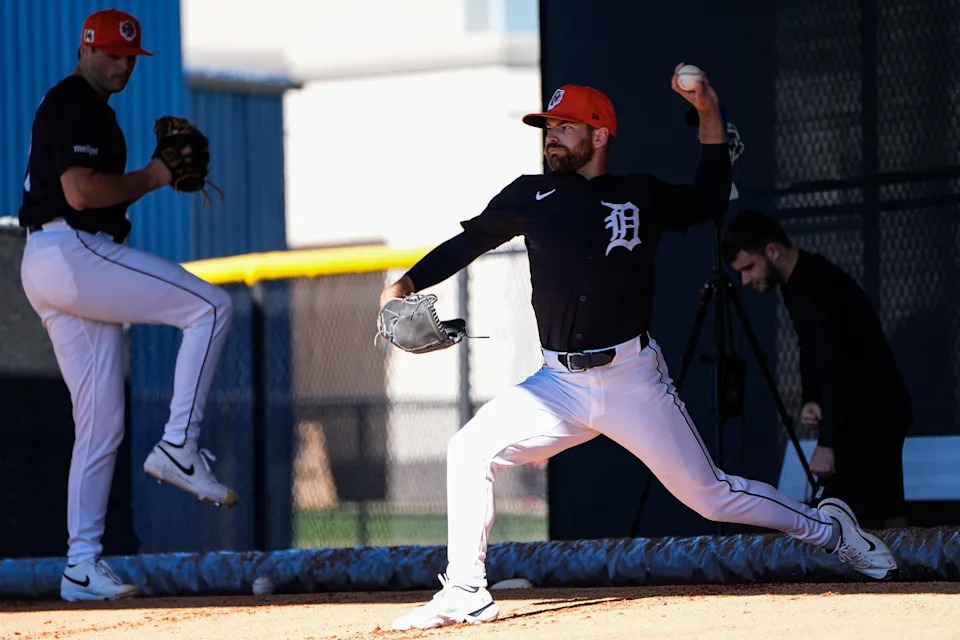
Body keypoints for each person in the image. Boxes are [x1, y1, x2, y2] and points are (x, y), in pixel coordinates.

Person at [380, 66, 897, 631]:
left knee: (711, 496)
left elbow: (707, 196)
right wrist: (404, 284)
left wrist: (707, 110)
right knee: (469, 449)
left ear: (599, 135)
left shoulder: (639, 196)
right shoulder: (531, 195)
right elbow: (468, 242)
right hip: (558, 385)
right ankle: (465, 591)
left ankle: (830, 529)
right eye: (547, 125)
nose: (551, 134)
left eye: (565, 125)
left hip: (632, 379)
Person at [18, 9, 237, 602]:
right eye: (111, 55)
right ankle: (178, 446)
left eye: (129, 59)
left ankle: (81, 566)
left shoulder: (87, 108)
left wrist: (151, 175)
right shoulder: (75, 101)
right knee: (211, 307)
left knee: (99, 427)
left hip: (56, 261)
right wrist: (156, 174)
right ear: (86, 49)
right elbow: (81, 191)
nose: (121, 66)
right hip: (71, 252)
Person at [721, 209, 912, 529]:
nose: (745, 279)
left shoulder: (816, 287)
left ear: (772, 250)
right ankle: (903, 575)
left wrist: (827, 444)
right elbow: (813, 352)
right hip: (871, 410)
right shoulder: (799, 285)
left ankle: (905, 575)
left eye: (749, 267)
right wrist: (812, 398)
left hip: (874, 413)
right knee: (879, 512)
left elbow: (838, 365)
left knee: (861, 518)